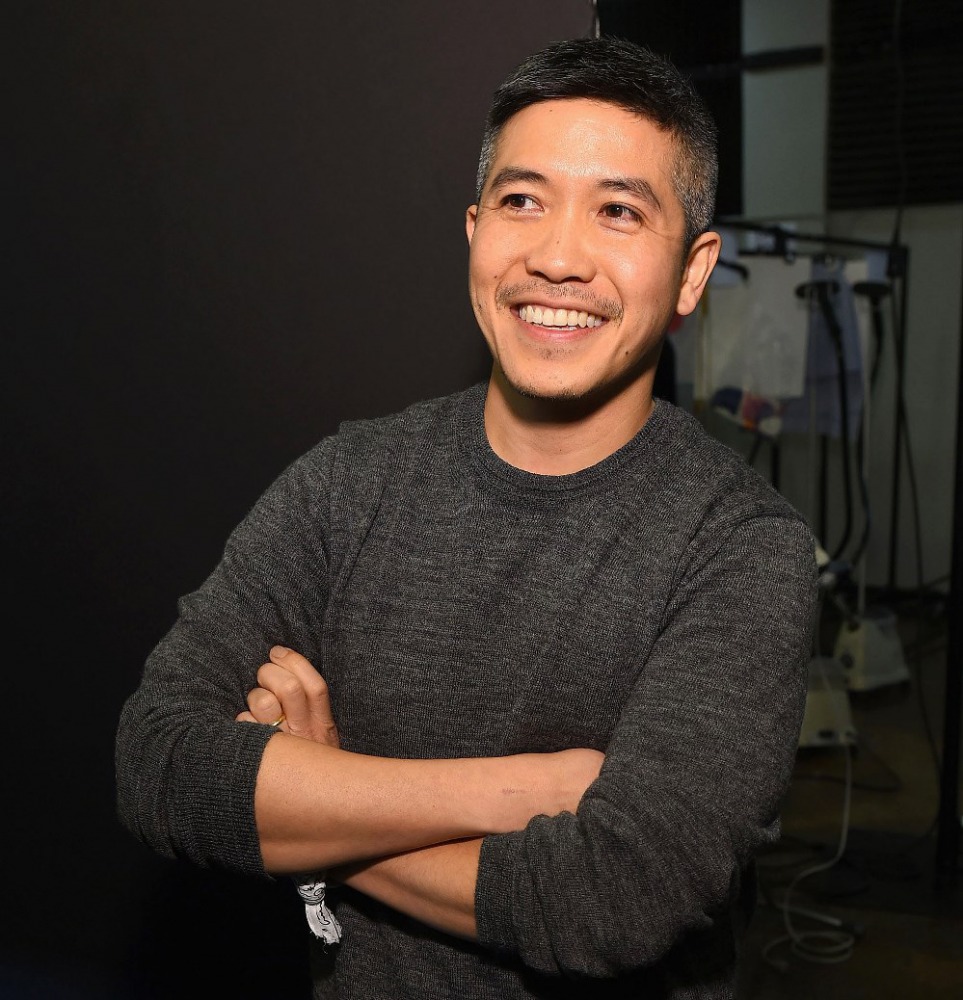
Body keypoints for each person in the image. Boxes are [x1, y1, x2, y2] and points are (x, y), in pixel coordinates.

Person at [115, 35, 818, 999]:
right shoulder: (346, 484)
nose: (556, 258)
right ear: (474, 229)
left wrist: (319, 803)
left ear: (692, 273)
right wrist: (524, 789)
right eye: (522, 201)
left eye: (618, 211)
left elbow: (614, 896)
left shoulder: (739, 548)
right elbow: (158, 762)